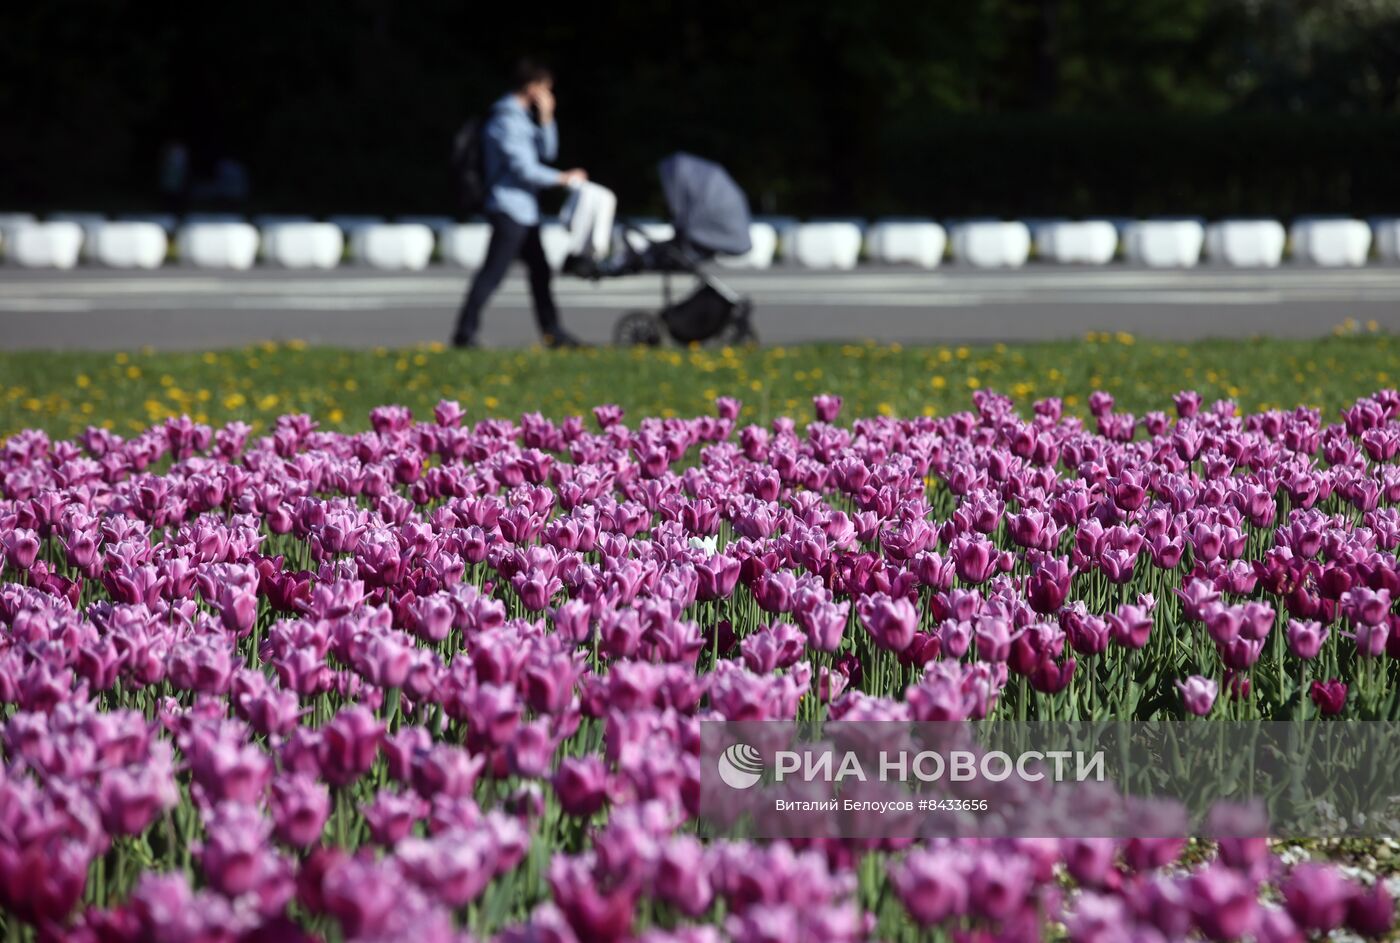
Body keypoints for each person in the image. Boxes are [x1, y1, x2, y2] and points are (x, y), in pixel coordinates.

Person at [452, 59, 588, 349]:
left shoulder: (524, 118)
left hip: (525, 211)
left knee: (540, 274)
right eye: (546, 90)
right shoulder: (505, 120)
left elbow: (547, 152)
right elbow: (524, 168)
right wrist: (563, 179)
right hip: (508, 208)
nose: (548, 96)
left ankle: (553, 333)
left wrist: (548, 118)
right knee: (493, 274)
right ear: (532, 87)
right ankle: (464, 333)